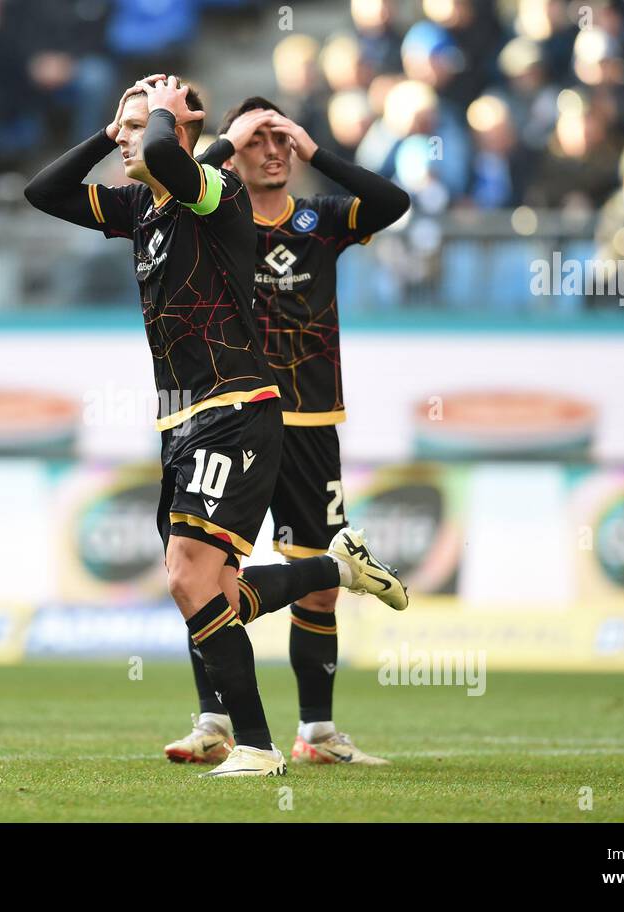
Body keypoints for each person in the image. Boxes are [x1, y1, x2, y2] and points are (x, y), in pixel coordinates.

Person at [25, 76, 405, 777]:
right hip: (184, 418)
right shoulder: (142, 205)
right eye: (129, 128)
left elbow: (390, 203)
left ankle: (274, 736)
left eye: (147, 127)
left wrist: (176, 123)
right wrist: (113, 131)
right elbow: (43, 193)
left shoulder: (215, 193)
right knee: (209, 586)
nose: (136, 137)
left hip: (240, 408)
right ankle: (250, 695)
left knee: (192, 575)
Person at [162, 96, 411, 767]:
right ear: (234, 151)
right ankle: (215, 721)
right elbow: (171, 188)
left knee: (318, 582)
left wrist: (319, 147)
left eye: (282, 139)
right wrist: (219, 144)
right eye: (258, 140)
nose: (273, 151)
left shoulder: (322, 221)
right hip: (228, 416)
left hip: (309, 421)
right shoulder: (215, 217)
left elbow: (393, 202)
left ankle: (318, 733)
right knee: (209, 570)